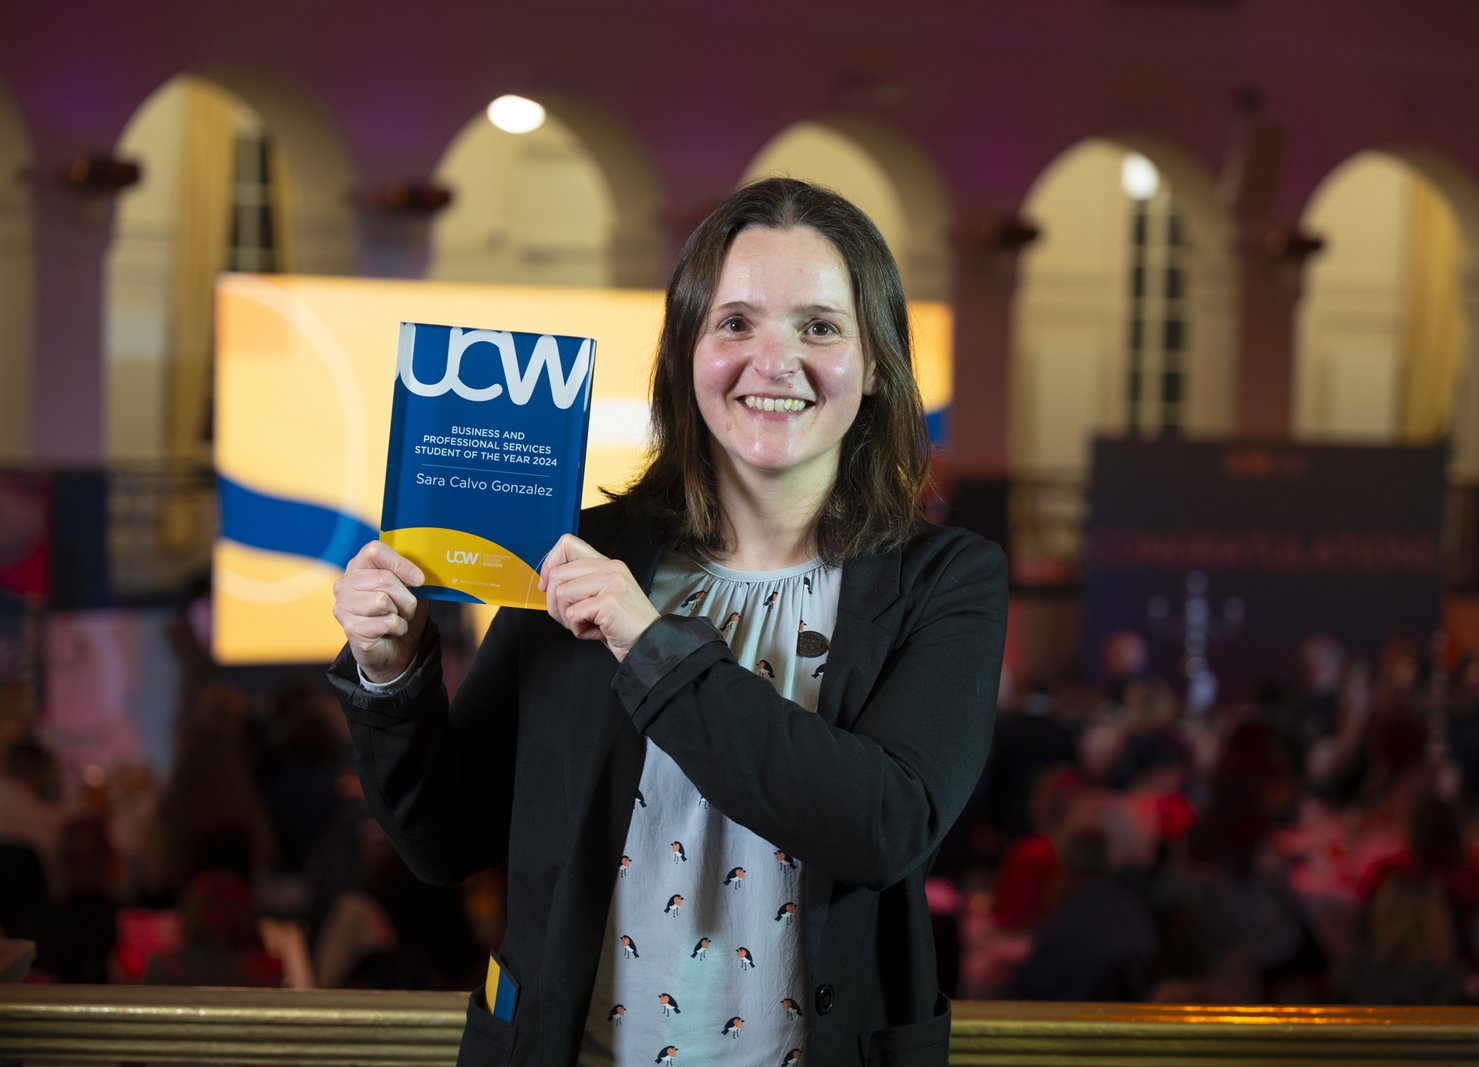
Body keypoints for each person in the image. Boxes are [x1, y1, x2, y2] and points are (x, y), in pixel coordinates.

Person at [329, 177, 1008, 1067]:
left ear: (876, 363)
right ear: (687, 352)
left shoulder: (945, 580)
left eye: (819, 326)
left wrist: (649, 644)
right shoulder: (585, 557)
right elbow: (446, 840)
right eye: (735, 323)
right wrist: (392, 668)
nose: (774, 361)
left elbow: (881, 828)